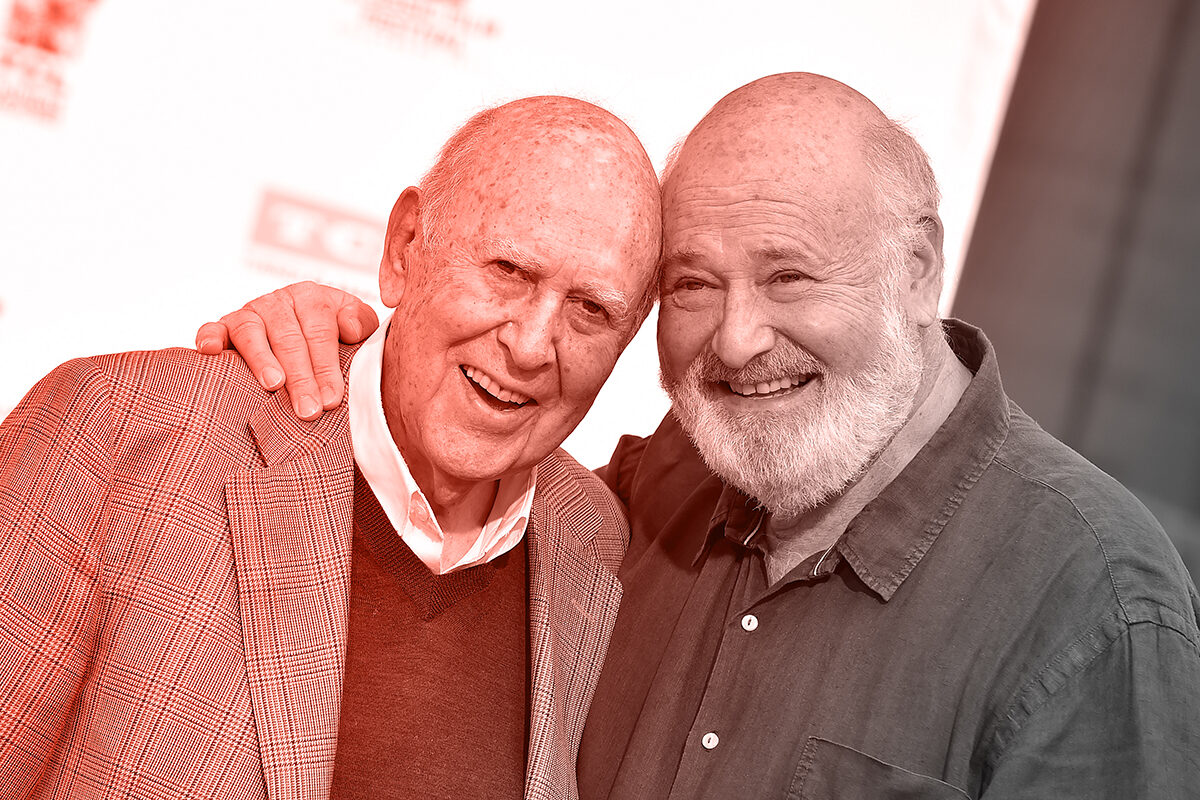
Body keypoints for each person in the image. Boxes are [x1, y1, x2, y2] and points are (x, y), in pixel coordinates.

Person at [201, 73, 1200, 798]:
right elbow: (444, 527)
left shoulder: (1094, 602)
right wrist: (342, 362)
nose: (737, 337)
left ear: (916, 268)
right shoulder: (665, 476)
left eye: (790, 275)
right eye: (691, 284)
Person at [0, 96, 662, 800]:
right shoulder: (122, 432)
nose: (532, 345)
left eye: (591, 309)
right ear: (405, 247)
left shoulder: (594, 542)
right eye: (508, 270)